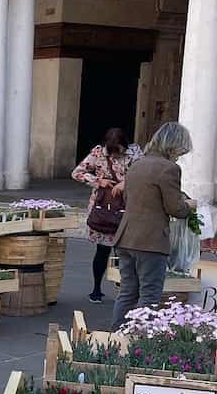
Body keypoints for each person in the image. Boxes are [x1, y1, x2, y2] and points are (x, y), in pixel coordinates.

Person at [111, 121, 196, 331]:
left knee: (128, 293)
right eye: (180, 151)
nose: (180, 156)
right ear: (173, 146)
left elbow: (132, 198)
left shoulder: (138, 164)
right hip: (150, 241)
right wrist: (189, 205)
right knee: (149, 296)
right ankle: (138, 343)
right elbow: (175, 208)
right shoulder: (169, 168)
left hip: (126, 237)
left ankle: (115, 339)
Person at [72, 127, 141, 302]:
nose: (115, 155)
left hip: (126, 206)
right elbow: (77, 173)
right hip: (102, 207)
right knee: (102, 250)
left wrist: (126, 183)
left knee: (124, 252)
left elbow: (143, 176)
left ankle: (124, 292)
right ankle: (96, 289)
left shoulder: (135, 154)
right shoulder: (98, 153)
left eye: (118, 151)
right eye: (112, 151)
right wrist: (98, 181)